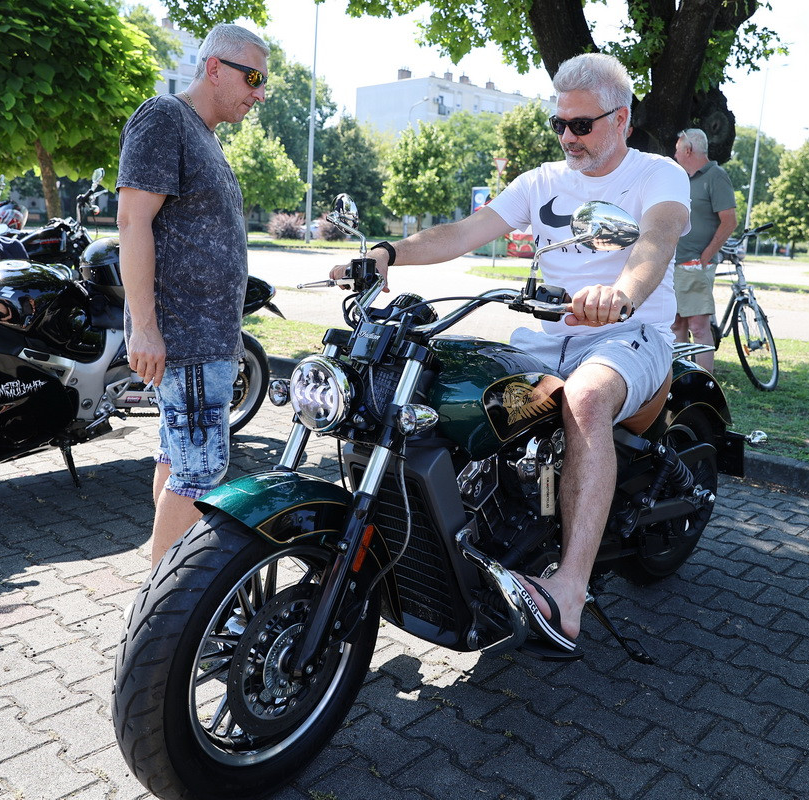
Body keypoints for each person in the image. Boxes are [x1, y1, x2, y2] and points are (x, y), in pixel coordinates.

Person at [331, 53, 689, 651]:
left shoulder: (658, 175)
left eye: (582, 125)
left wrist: (622, 293)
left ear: (622, 119)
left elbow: (659, 237)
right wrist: (387, 253)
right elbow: (463, 233)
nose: (568, 137)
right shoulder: (541, 181)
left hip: (630, 332)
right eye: (559, 124)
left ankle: (569, 589)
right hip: (547, 335)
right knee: (455, 390)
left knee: (585, 399)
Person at [116, 23, 269, 565]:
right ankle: (164, 606)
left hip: (204, 340)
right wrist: (145, 327)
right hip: (187, 339)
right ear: (214, 68)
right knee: (201, 471)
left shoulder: (203, 134)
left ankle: (161, 585)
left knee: (178, 459)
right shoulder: (165, 116)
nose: (259, 94)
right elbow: (132, 222)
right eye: (253, 78)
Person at [670, 128, 737, 372]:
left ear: (688, 150)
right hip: (675, 263)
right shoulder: (681, 178)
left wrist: (705, 257)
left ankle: (705, 382)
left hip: (694, 265)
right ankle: (681, 379)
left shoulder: (715, 176)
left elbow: (729, 221)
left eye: (677, 150)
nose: (675, 155)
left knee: (698, 327)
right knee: (676, 325)